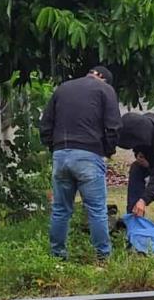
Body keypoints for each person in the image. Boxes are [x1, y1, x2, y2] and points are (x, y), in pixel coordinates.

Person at [39, 66, 121, 260]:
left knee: (60, 209)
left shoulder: (63, 88)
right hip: (89, 155)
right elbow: (113, 126)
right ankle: (103, 257)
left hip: (61, 155)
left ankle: (57, 255)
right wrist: (107, 151)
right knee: (96, 210)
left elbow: (45, 124)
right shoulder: (105, 90)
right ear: (102, 77)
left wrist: (55, 147)